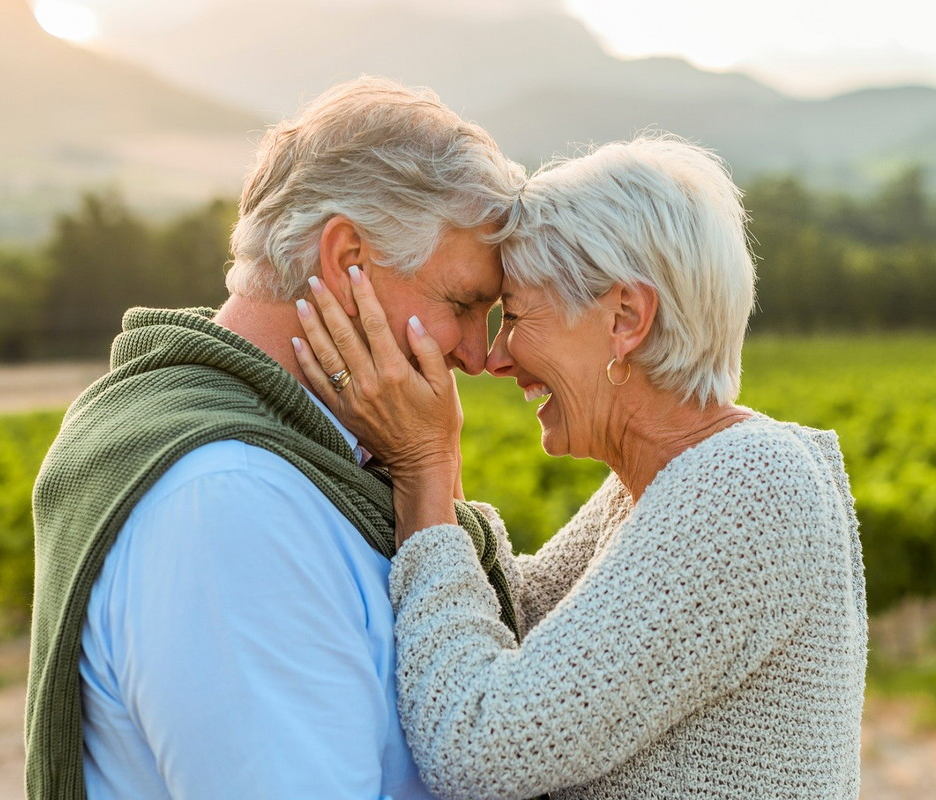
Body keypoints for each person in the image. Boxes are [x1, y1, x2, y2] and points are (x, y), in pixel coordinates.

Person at [294, 135, 868, 799]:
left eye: (517, 315)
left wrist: (425, 469)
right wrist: (430, 453)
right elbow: (525, 615)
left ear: (625, 318)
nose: (496, 358)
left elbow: (479, 745)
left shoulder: (746, 488)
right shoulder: (663, 483)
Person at [24, 77, 525, 799]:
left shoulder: (296, 466)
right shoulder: (231, 502)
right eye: (462, 304)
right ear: (347, 257)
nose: (477, 356)